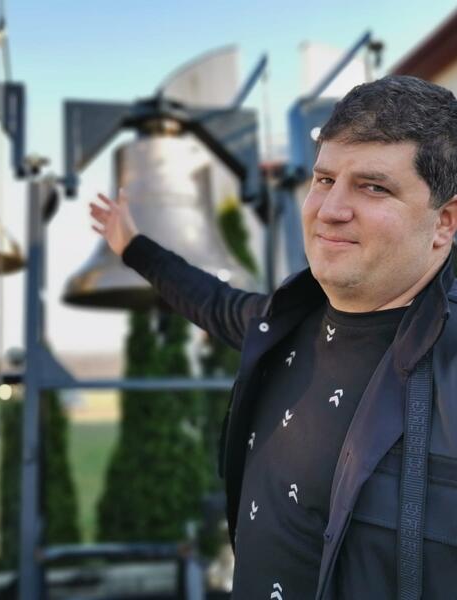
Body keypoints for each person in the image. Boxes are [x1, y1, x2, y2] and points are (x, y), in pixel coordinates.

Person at [89, 75, 457, 599]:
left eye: (373, 187)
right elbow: (209, 300)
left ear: (444, 222)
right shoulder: (282, 324)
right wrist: (132, 246)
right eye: (324, 180)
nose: (330, 209)